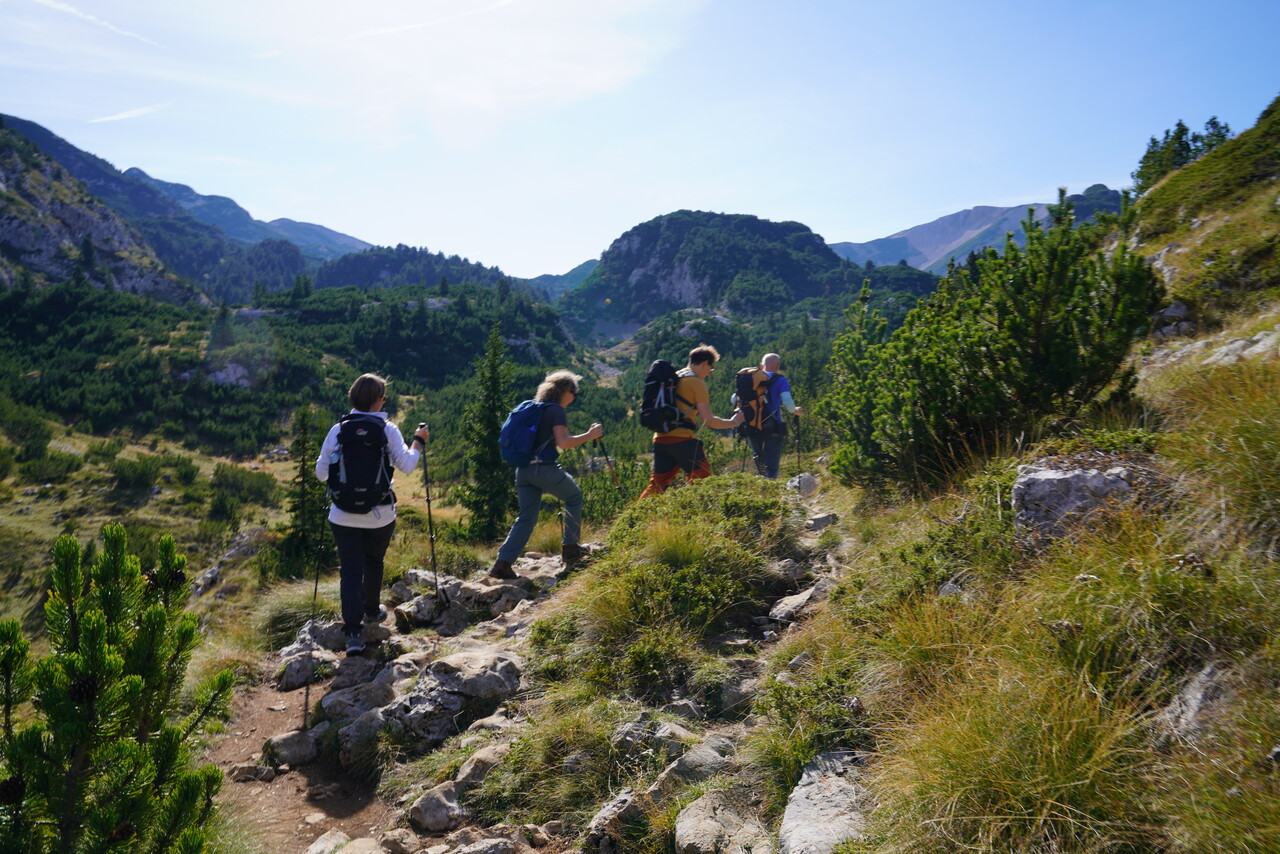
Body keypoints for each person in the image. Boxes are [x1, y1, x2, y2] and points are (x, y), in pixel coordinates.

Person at [315, 373, 430, 654]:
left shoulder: (338, 429)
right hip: (380, 513)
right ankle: (371, 611)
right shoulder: (387, 429)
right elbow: (406, 465)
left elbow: (320, 474)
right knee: (374, 562)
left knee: (350, 570)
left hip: (341, 514)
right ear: (379, 400)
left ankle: (353, 634)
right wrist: (418, 441)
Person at [489, 370, 603, 579]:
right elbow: (564, 442)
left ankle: (502, 564)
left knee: (526, 517)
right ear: (563, 391)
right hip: (543, 468)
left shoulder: (536, 409)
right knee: (574, 496)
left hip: (523, 471)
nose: (574, 396)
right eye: (573, 392)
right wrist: (590, 435)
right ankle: (571, 549)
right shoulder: (556, 410)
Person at [638, 344, 744, 499]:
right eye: (710, 368)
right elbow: (708, 420)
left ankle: (634, 519)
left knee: (657, 485)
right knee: (704, 482)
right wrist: (734, 422)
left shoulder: (675, 377)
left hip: (660, 438)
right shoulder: (696, 383)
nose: (709, 373)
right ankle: (708, 517)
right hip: (683, 441)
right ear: (703, 364)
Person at [746, 352, 803, 480]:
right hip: (772, 427)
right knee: (770, 466)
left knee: (759, 464)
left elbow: (734, 400)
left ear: (761, 366)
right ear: (777, 366)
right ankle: (769, 493)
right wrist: (796, 410)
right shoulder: (781, 380)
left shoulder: (751, 379)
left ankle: (757, 491)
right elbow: (788, 404)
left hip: (752, 426)